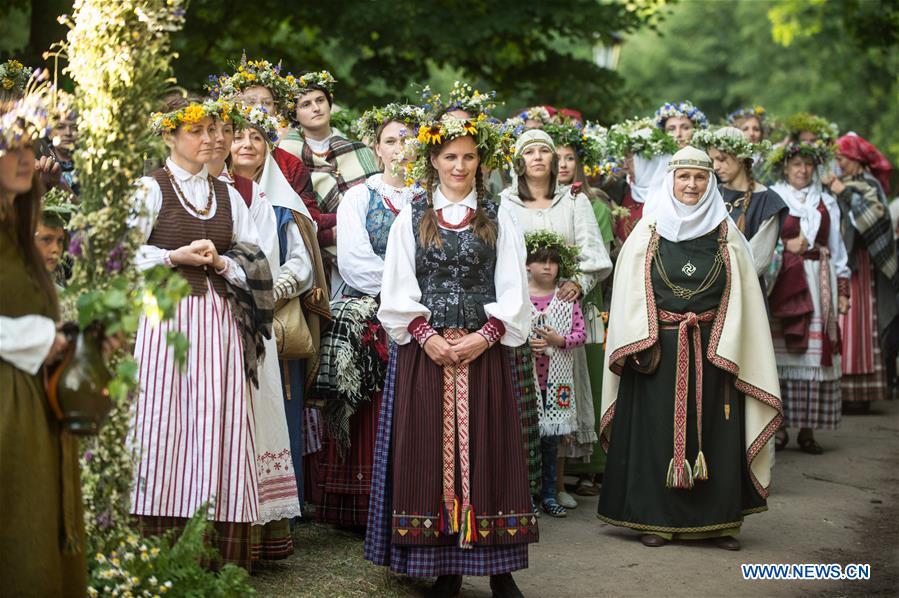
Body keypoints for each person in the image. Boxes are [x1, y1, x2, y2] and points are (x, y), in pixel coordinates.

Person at [365, 114, 535, 598]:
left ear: (480, 161)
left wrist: (486, 334)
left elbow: (513, 286)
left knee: (491, 451)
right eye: (449, 157)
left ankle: (501, 570)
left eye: (468, 156)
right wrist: (424, 334)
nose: (458, 165)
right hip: (428, 354)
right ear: (433, 161)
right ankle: (445, 569)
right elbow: (396, 284)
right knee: (427, 454)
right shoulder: (413, 214)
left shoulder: (500, 216)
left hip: (485, 352)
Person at [598, 146, 783, 551]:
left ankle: (718, 523)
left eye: (700, 178)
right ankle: (654, 519)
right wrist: (641, 340)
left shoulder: (727, 235)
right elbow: (628, 293)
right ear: (671, 180)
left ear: (710, 182)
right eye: (684, 177)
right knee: (654, 432)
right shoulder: (647, 232)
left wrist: (725, 343)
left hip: (714, 349)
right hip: (656, 354)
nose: (692, 185)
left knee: (716, 432)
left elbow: (744, 301)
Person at [131, 97, 272, 570]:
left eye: (215, 129)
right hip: (165, 323)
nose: (211, 138)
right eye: (198, 131)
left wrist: (222, 260)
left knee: (219, 423)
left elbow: (256, 263)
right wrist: (173, 257)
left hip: (220, 326)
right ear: (170, 136)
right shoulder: (149, 189)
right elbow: (116, 257)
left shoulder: (228, 194)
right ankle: (156, 550)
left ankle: (214, 552)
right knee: (164, 426)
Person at [308, 105, 423, 528]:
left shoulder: (429, 198)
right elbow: (355, 261)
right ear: (376, 149)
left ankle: (414, 497)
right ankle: (362, 504)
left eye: (406, 140)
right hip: (372, 305)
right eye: (390, 140)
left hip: (421, 309)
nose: (399, 149)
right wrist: (399, 294)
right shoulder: (359, 197)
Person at [1, 92, 88, 596]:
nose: (24, 159)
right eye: (10, 148)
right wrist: (42, 337)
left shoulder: (19, 231)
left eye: (30, 149)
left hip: (32, 402)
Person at [500, 129, 612, 512]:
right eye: (528, 151)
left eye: (543, 152)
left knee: (560, 399)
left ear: (554, 160)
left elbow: (594, 256)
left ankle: (557, 482)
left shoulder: (574, 202)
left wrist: (576, 284)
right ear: (519, 161)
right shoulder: (506, 204)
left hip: (561, 311)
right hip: (519, 308)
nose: (537, 157)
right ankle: (520, 484)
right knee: (522, 400)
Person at [545, 121, 614, 496]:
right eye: (559, 157)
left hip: (581, 301)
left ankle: (591, 465)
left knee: (585, 375)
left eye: (570, 157)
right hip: (542, 297)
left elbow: (595, 255)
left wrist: (573, 283)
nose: (564, 163)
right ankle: (555, 471)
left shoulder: (592, 202)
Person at [768, 142, 850, 454]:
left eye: (807, 165)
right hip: (784, 281)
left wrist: (843, 292)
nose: (802, 170)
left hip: (819, 280)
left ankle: (807, 429)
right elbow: (763, 240)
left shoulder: (826, 202)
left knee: (815, 356)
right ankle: (779, 428)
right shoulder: (774, 197)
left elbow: (838, 250)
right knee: (780, 357)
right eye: (796, 164)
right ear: (785, 168)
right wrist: (785, 246)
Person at [277, 70, 380, 296]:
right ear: (293, 114)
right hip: (314, 257)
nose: (316, 108)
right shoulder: (285, 156)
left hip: (366, 252)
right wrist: (330, 233)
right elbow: (293, 215)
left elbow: (378, 204)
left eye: (320, 100)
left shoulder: (358, 150)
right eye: (306, 104)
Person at [823, 134, 898, 410]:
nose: (839, 164)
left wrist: (843, 191)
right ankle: (840, 391)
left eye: (842, 159)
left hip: (862, 265)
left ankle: (862, 392)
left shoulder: (869, 185)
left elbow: (874, 218)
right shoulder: (839, 183)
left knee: (860, 324)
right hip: (840, 261)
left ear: (855, 160)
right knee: (843, 324)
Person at [525, 230, 586, 517]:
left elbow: (580, 334)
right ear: (527, 264)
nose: (547, 267)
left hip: (555, 385)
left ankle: (549, 495)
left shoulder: (565, 300)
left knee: (551, 447)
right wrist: (527, 344)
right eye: (540, 261)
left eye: (553, 262)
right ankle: (527, 497)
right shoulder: (519, 297)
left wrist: (557, 341)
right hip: (526, 384)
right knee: (526, 445)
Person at [693, 126, 787, 278]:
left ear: (741, 156)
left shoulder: (767, 201)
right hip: (704, 288)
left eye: (722, 159)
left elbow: (757, 261)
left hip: (743, 290)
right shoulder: (712, 193)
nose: (716, 167)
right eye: (712, 160)